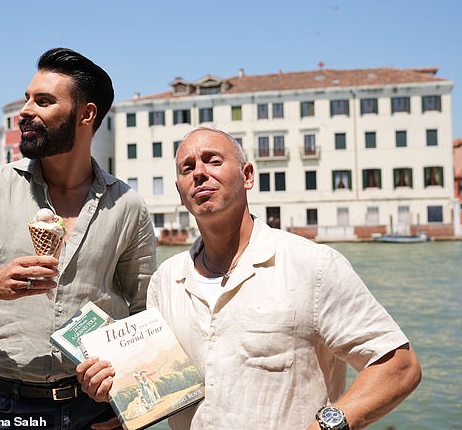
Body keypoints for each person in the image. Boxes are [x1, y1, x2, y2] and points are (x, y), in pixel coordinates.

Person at [78, 127, 421, 429]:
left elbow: (399, 367)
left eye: (213, 161)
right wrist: (116, 392)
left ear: (247, 176)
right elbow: (164, 384)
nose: (199, 173)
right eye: (188, 168)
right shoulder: (165, 282)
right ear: (181, 192)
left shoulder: (313, 266)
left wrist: (328, 425)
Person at [0, 48, 156, 429]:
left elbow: (146, 314)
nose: (25, 111)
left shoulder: (128, 205)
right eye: (28, 98)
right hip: (7, 408)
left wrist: (128, 401)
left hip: (100, 412)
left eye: (43, 101)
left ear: (86, 114)